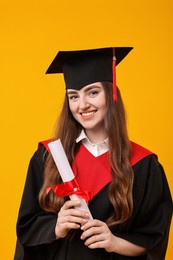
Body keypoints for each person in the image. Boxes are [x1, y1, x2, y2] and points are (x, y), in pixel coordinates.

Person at [14, 47, 173, 260]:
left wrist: (114, 242)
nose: (82, 105)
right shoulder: (48, 157)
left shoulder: (144, 165)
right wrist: (56, 227)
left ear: (111, 93)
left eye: (93, 92)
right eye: (73, 96)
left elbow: (153, 241)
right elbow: (26, 229)